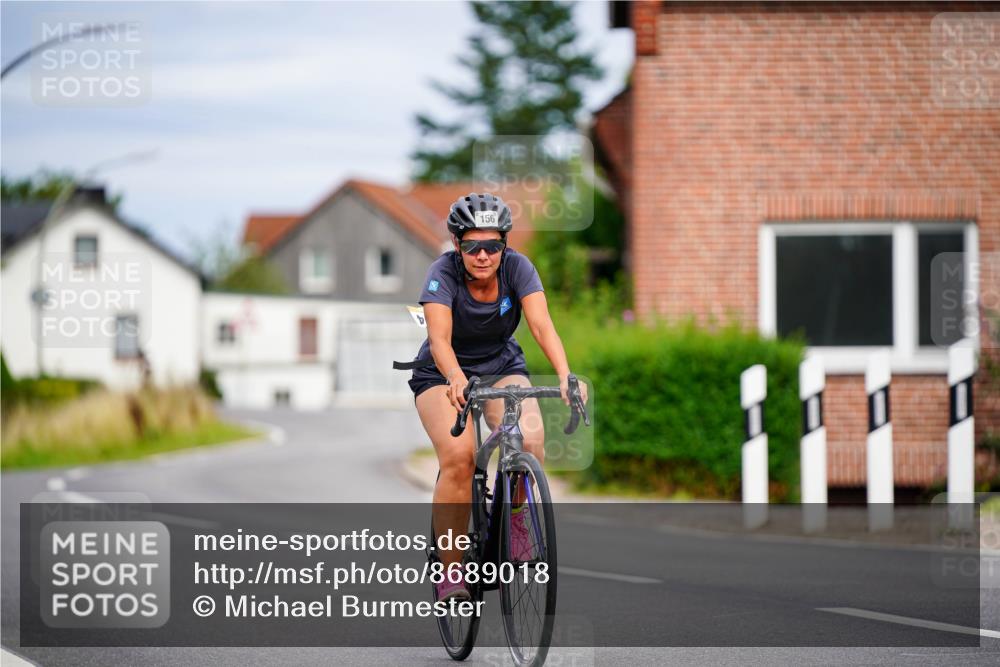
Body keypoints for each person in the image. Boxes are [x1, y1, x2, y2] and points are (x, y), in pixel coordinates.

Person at [402, 192, 588, 603]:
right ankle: (451, 570)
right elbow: (439, 339)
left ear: (505, 245)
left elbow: (541, 325)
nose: (483, 255)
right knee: (459, 458)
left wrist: (564, 374)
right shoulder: (442, 274)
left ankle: (517, 522)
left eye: (493, 246)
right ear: (457, 245)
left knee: (532, 437)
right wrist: (454, 377)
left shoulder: (518, 268)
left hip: (501, 365)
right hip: (441, 372)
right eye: (472, 246)